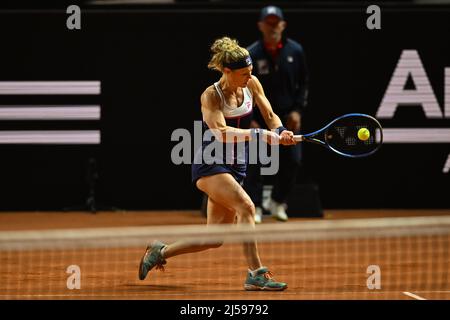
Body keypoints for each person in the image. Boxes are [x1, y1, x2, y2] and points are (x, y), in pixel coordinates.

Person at [138, 36, 296, 291]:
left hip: (237, 166)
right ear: (227, 71)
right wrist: (261, 135)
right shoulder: (211, 96)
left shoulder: (252, 84)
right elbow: (221, 132)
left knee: (214, 239)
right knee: (247, 206)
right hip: (210, 163)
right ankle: (255, 274)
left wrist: (280, 130)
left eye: (250, 71)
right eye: (243, 73)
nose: (249, 76)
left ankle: (160, 251)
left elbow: (268, 114)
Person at [244, 5, 309, 223]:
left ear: (283, 25)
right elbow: (245, 89)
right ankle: (256, 207)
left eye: (276, 22)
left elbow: (304, 84)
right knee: (254, 163)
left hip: (288, 118)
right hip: (258, 119)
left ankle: (278, 202)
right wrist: (249, 118)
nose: (272, 27)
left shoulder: (296, 51)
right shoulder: (251, 54)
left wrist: (298, 110)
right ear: (260, 26)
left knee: (294, 161)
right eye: (268, 23)